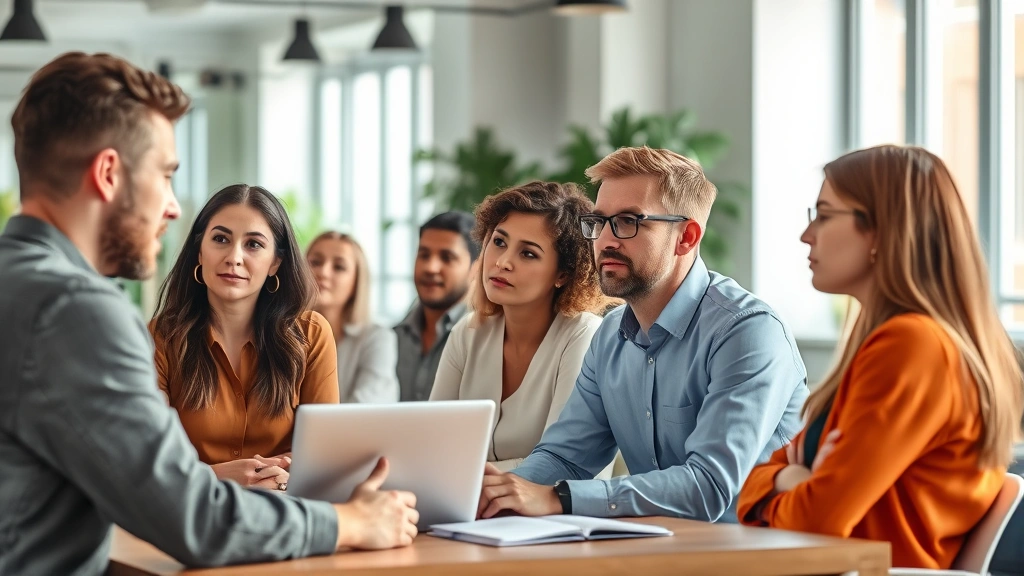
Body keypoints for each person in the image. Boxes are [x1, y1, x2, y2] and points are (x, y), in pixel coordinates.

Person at [0, 52, 417, 575]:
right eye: (166, 174)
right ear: (108, 174)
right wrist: (351, 523)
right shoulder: (78, 311)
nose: (173, 207)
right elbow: (191, 517)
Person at [476, 146, 808, 523]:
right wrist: (495, 495)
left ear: (686, 238)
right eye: (599, 222)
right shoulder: (610, 338)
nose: (605, 241)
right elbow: (565, 457)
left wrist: (558, 498)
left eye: (629, 222)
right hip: (665, 551)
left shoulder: (748, 332)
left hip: (762, 555)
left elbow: (710, 487)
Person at [736, 145, 1024, 569]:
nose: (807, 234)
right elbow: (754, 486)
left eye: (825, 215)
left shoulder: (912, 346)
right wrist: (789, 477)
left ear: (882, 231)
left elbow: (816, 520)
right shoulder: (903, 342)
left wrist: (790, 482)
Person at [150, 184, 339, 489]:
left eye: (253, 245)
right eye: (221, 239)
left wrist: (283, 473)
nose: (234, 257)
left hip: (286, 510)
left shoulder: (311, 334)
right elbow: (148, 457)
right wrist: (217, 477)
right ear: (200, 251)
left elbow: (327, 453)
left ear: (275, 262)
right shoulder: (162, 337)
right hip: (191, 513)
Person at [430, 181, 610, 471]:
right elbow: (431, 443)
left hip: (553, 515)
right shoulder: (468, 332)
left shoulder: (584, 336)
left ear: (563, 274)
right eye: (499, 242)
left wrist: (466, 474)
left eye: (528, 253)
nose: (502, 262)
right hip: (467, 509)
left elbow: (565, 466)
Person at [395, 211, 480, 401]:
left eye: (447, 257)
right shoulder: (394, 337)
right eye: (424, 255)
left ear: (476, 267)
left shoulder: (482, 339)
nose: (430, 267)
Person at [307, 231, 399, 403]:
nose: (323, 272)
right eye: (315, 262)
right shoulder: (279, 332)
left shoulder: (377, 338)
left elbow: (366, 411)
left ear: (357, 282)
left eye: (339, 267)